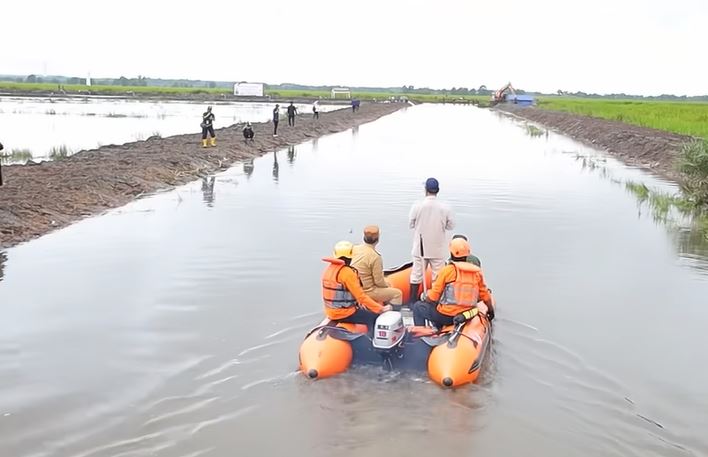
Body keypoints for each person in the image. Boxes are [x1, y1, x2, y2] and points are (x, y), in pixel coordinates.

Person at [412, 238, 495, 328]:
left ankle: (420, 334)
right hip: (467, 315)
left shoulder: (447, 270)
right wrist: (491, 310)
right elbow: (485, 296)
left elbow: (433, 297)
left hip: (447, 316)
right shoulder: (477, 273)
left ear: (451, 253)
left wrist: (425, 297)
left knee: (418, 307)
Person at [322, 240, 392, 330]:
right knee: (373, 318)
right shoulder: (347, 273)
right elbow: (361, 297)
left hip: (330, 312)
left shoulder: (328, 270)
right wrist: (380, 309)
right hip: (344, 313)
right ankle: (371, 341)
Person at [407, 177, 455, 304]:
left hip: (420, 248)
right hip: (437, 249)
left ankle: (412, 302)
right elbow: (451, 226)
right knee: (438, 277)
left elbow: (411, 224)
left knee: (416, 275)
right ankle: (435, 303)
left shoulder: (417, 206)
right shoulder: (445, 208)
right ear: (437, 190)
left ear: (426, 190)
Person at [351, 225, 403, 309]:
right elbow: (378, 281)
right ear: (377, 239)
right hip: (367, 291)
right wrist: (387, 286)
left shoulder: (355, 248)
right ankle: (392, 315)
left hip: (354, 288)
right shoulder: (375, 257)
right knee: (397, 294)